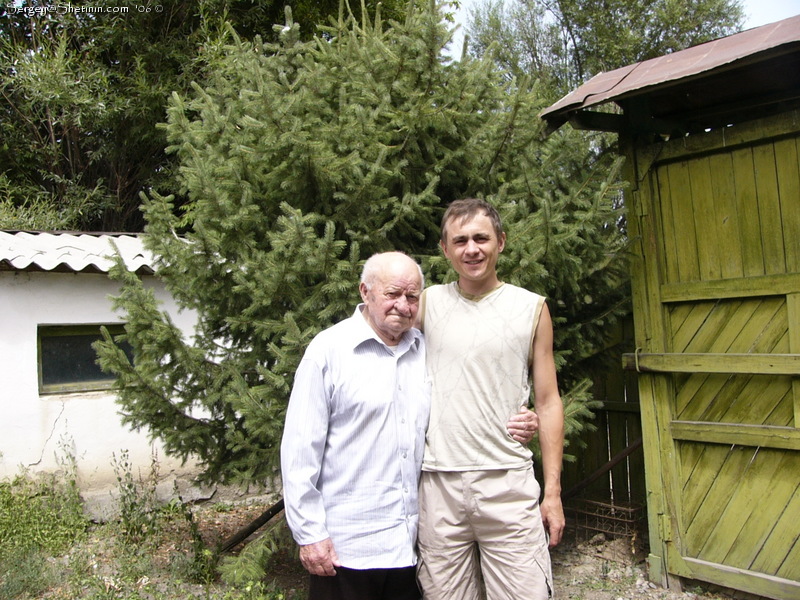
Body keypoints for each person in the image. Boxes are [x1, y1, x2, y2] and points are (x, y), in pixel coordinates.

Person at [416, 198, 566, 600]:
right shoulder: (425, 304)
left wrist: (551, 493)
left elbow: (549, 402)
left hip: (507, 484)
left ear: (501, 241)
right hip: (438, 486)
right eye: (460, 240)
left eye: (481, 238)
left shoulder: (532, 309)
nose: (472, 249)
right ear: (444, 248)